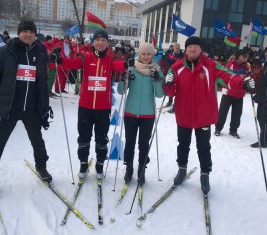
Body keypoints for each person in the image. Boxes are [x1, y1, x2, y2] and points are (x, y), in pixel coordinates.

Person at [165, 36, 255, 194]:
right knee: (183, 144)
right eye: (189, 46)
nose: (192, 49)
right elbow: (170, 92)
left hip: (204, 115)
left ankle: (205, 174)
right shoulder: (177, 67)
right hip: (184, 114)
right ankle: (182, 169)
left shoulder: (211, 66)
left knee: (204, 147)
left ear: (200, 49)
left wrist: (242, 82)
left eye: (195, 46)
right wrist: (168, 82)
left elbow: (228, 77)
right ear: (186, 50)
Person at [0, 20, 53, 195]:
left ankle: (41, 167)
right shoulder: (5, 52)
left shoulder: (40, 52)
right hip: (9, 108)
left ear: (35, 34)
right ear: (19, 33)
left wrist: (44, 106)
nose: (28, 34)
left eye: (31, 31)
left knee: (38, 142)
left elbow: (43, 82)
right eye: (24, 31)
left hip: (32, 108)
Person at [51, 29, 133, 179]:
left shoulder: (110, 58)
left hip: (103, 107)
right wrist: (61, 59)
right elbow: (73, 63)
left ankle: (100, 164)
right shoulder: (86, 56)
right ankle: (83, 163)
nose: (100, 43)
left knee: (102, 138)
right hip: (85, 106)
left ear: (107, 43)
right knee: (84, 137)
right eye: (98, 40)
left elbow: (118, 65)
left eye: (103, 40)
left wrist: (126, 64)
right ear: (93, 42)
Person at [117, 42, 164, 185]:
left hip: (147, 114)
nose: (145, 56)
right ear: (139, 54)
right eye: (143, 53)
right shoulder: (131, 67)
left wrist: (157, 79)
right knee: (130, 142)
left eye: (149, 54)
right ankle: (129, 167)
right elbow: (121, 91)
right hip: (131, 112)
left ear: (152, 55)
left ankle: (142, 169)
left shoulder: (157, 70)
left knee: (144, 144)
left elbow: (160, 95)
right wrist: (124, 79)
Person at [215, 49, 251, 138]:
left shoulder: (247, 66)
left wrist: (247, 77)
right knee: (223, 112)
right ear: (238, 57)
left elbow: (250, 76)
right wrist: (239, 77)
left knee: (237, 113)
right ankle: (218, 128)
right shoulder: (230, 64)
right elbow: (226, 76)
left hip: (240, 93)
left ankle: (233, 130)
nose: (245, 58)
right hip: (229, 92)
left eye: (246, 56)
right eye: (243, 56)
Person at [251, 59, 267, 148]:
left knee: (264, 121)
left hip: (265, 101)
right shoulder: (264, 67)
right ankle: (263, 139)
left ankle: (263, 142)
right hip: (262, 99)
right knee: (260, 119)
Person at [164, 43, 184, 112]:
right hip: (171, 72)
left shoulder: (182, 55)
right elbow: (167, 62)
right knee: (170, 87)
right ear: (173, 48)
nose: (177, 49)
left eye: (178, 48)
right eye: (176, 48)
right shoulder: (170, 54)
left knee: (179, 89)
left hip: (179, 73)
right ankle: (170, 101)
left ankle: (175, 106)